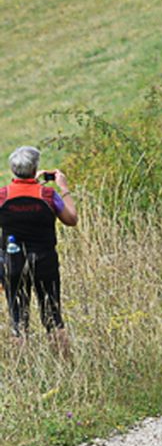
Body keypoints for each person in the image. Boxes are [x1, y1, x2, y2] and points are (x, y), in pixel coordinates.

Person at [0, 146, 78, 354]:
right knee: (53, 317)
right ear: (35, 169)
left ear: (13, 170)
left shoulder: (2, 195)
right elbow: (72, 219)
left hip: (12, 263)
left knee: (18, 320)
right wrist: (64, 188)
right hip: (45, 262)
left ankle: (22, 366)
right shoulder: (48, 195)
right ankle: (64, 364)